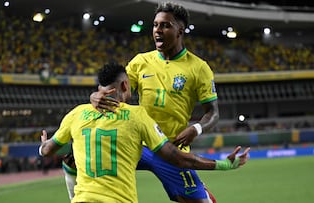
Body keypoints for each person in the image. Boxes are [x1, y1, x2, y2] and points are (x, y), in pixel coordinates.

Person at [39, 62, 250, 203]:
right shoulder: (137, 115)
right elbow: (177, 158)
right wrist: (224, 164)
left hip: (87, 195)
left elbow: (47, 150)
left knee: (71, 158)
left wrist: (43, 145)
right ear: (125, 84)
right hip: (150, 161)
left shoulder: (76, 114)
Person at [89, 2, 221, 203]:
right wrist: (96, 96)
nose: (158, 31)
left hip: (170, 148)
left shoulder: (199, 68)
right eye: (155, 25)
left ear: (180, 31)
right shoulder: (140, 61)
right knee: (76, 160)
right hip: (137, 144)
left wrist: (196, 129)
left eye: (165, 25)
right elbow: (118, 93)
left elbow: (213, 113)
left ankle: (201, 193)